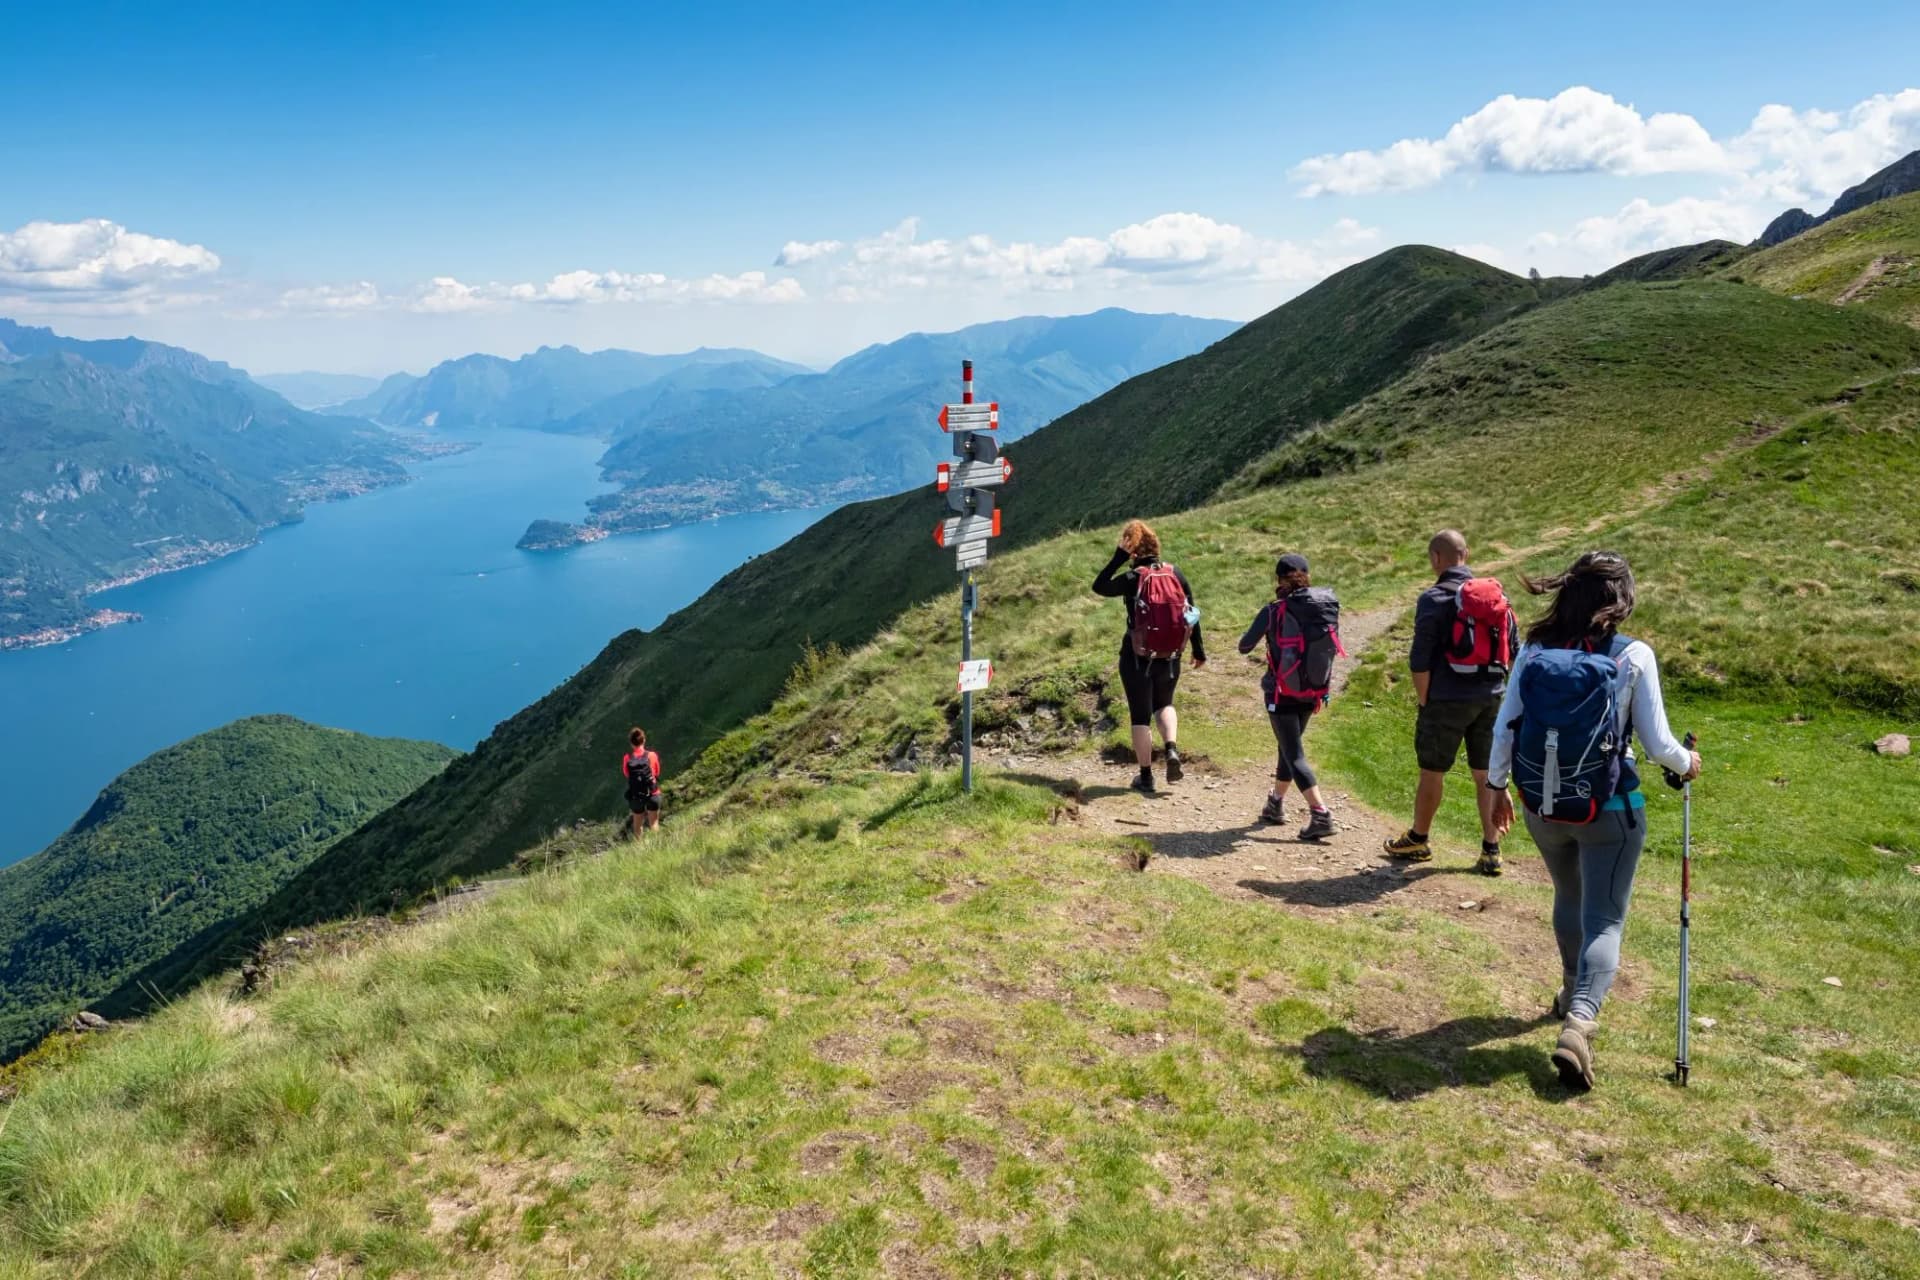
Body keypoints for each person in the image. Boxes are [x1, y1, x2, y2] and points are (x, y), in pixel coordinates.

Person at [1485, 551, 1701, 1093]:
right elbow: (1657, 745)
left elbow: (1506, 725)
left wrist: (1496, 787)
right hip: (1609, 806)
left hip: (1542, 803)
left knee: (1568, 895)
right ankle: (1580, 1021)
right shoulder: (1634, 656)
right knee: (1605, 917)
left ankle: (1566, 990)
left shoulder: (1534, 648)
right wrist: (1688, 763)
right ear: (1620, 599)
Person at [1384, 530, 1519, 874]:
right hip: (1491, 698)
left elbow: (1420, 658)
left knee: (1433, 770)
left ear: (1435, 558)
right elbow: (1514, 652)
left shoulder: (1433, 599)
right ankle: (1491, 850)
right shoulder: (1496, 598)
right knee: (1484, 775)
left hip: (1445, 698)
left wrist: (1425, 698)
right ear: (1467, 554)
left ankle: (1419, 838)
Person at [1092, 519, 1206, 793]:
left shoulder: (1133, 578)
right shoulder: (1175, 573)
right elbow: (1191, 612)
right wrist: (1198, 649)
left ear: (1132, 551)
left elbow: (1100, 586)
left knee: (1140, 716)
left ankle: (1145, 776)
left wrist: (1119, 557)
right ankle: (1171, 749)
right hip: (1171, 655)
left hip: (1137, 656)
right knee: (1164, 704)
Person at [1237, 553, 1339, 840]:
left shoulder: (1273, 611)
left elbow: (1244, 646)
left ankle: (1321, 814)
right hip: (1312, 691)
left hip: (1281, 692)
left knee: (1293, 753)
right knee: (1288, 746)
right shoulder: (1322, 607)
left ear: (1279, 579)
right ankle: (1275, 804)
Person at [622, 727, 662, 836]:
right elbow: (657, 772)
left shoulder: (627, 758)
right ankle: (657, 846)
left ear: (631, 743)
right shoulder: (652, 755)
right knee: (653, 823)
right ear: (644, 740)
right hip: (652, 793)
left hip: (636, 796)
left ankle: (640, 848)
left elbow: (627, 774)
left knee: (637, 826)